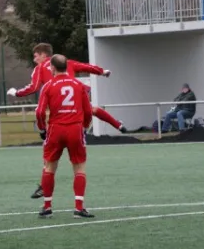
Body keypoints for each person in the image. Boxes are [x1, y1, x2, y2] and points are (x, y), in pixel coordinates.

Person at [7, 43, 125, 199]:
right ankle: (118, 124)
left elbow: (34, 87)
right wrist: (102, 71)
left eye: (36, 55)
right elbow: (85, 67)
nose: (34, 58)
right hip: (77, 95)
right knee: (92, 110)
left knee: (49, 155)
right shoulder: (66, 62)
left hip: (59, 113)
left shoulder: (42, 68)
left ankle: (45, 190)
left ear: (43, 55)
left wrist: (16, 93)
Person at [35, 54, 94, 219]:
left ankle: (47, 207)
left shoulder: (48, 86)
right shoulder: (78, 84)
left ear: (52, 68)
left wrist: (42, 128)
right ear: (67, 67)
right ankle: (79, 207)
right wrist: (85, 125)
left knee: (49, 167)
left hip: (55, 129)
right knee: (79, 167)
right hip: (75, 129)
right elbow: (88, 110)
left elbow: (39, 111)